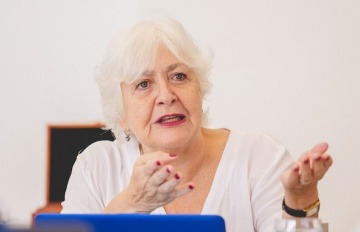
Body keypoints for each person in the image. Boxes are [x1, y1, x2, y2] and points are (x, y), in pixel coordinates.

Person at [61, 18, 333, 232]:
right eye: (143, 84)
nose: (167, 96)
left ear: (200, 90)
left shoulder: (259, 155)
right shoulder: (96, 168)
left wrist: (300, 200)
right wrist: (132, 203)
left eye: (179, 76)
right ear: (120, 112)